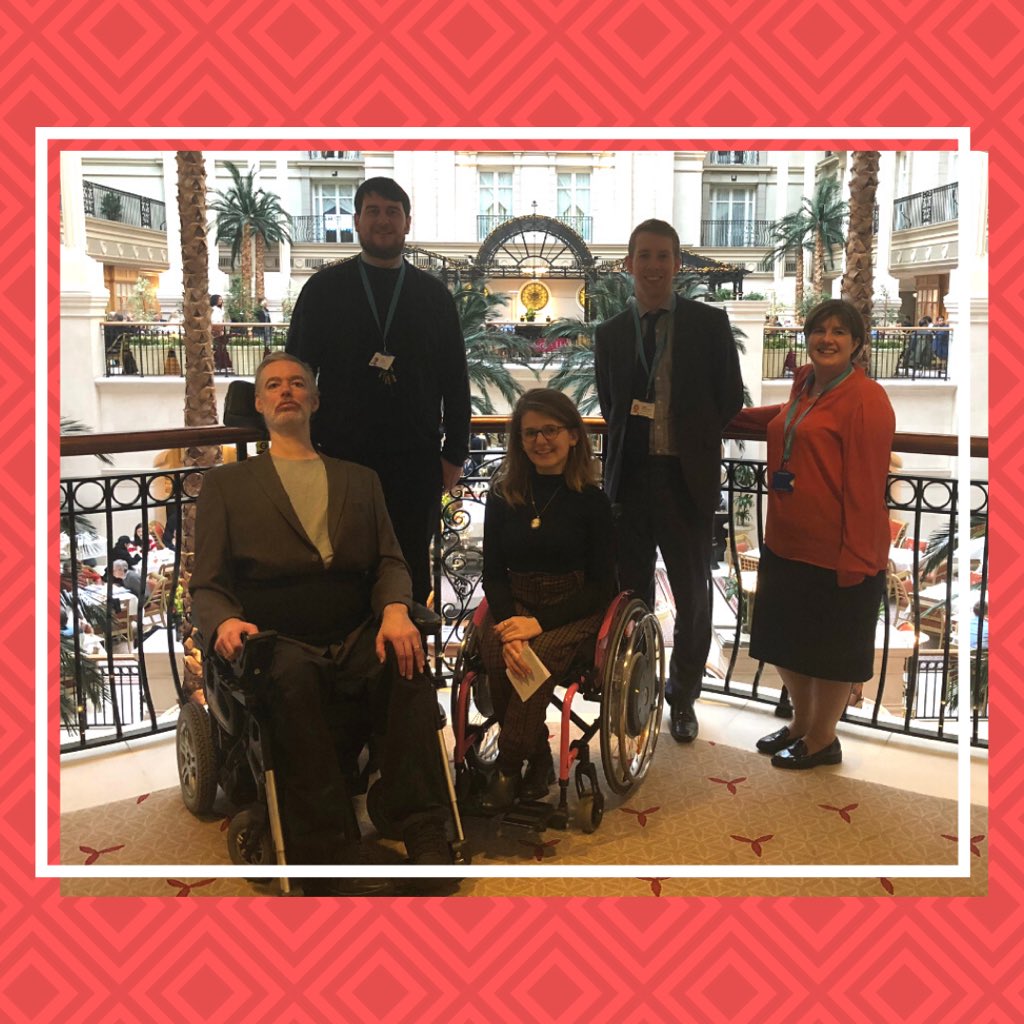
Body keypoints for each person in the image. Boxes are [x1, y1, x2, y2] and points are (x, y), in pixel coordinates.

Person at [189, 351, 454, 896]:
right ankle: (328, 851)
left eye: (297, 383)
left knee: (405, 665)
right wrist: (225, 623)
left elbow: (389, 561)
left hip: (356, 631)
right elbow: (208, 584)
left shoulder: (360, 480)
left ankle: (424, 830)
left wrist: (397, 610)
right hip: (276, 640)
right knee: (290, 679)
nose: (286, 391)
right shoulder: (227, 486)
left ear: (314, 399)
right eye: (273, 385)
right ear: (260, 405)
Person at [286, 176, 471, 604]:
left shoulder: (434, 296)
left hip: (415, 465)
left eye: (393, 212)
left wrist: (454, 455)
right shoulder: (323, 291)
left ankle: (407, 668)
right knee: (343, 575)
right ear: (356, 221)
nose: (383, 221)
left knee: (409, 573)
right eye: (373, 211)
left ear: (407, 223)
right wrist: (301, 450)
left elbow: (455, 380)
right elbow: (297, 374)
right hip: (339, 461)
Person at [728, 299, 896, 769]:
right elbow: (786, 417)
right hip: (785, 543)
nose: (828, 339)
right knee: (783, 643)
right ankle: (801, 723)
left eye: (840, 332)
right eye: (819, 329)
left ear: (857, 344)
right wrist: (727, 420)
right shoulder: (806, 383)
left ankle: (824, 738)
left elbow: (866, 489)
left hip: (837, 552)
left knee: (831, 653)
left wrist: (858, 560)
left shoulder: (867, 400)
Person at [595, 218, 743, 744]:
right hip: (631, 482)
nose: (654, 266)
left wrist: (693, 438)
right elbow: (611, 405)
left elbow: (730, 397)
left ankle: (682, 698)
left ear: (677, 264)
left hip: (687, 479)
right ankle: (635, 688)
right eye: (644, 256)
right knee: (628, 594)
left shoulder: (709, 324)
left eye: (664, 256)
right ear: (629, 264)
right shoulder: (610, 333)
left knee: (693, 596)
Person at [476, 389, 616, 811]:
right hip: (514, 600)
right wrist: (508, 628)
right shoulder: (502, 496)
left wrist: (536, 625)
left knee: (532, 662)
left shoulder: (592, 502)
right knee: (497, 651)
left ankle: (508, 764)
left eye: (550, 430)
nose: (541, 441)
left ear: (574, 435)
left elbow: (601, 587)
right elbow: (493, 574)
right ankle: (537, 757)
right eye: (530, 433)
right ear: (519, 442)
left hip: (573, 605)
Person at [210, 293, 233, 374]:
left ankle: (222, 365)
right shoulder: (214, 310)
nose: (221, 301)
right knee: (219, 348)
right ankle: (220, 365)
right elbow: (215, 321)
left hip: (220, 330)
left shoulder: (220, 310)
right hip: (217, 331)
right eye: (219, 299)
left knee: (221, 348)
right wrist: (219, 329)